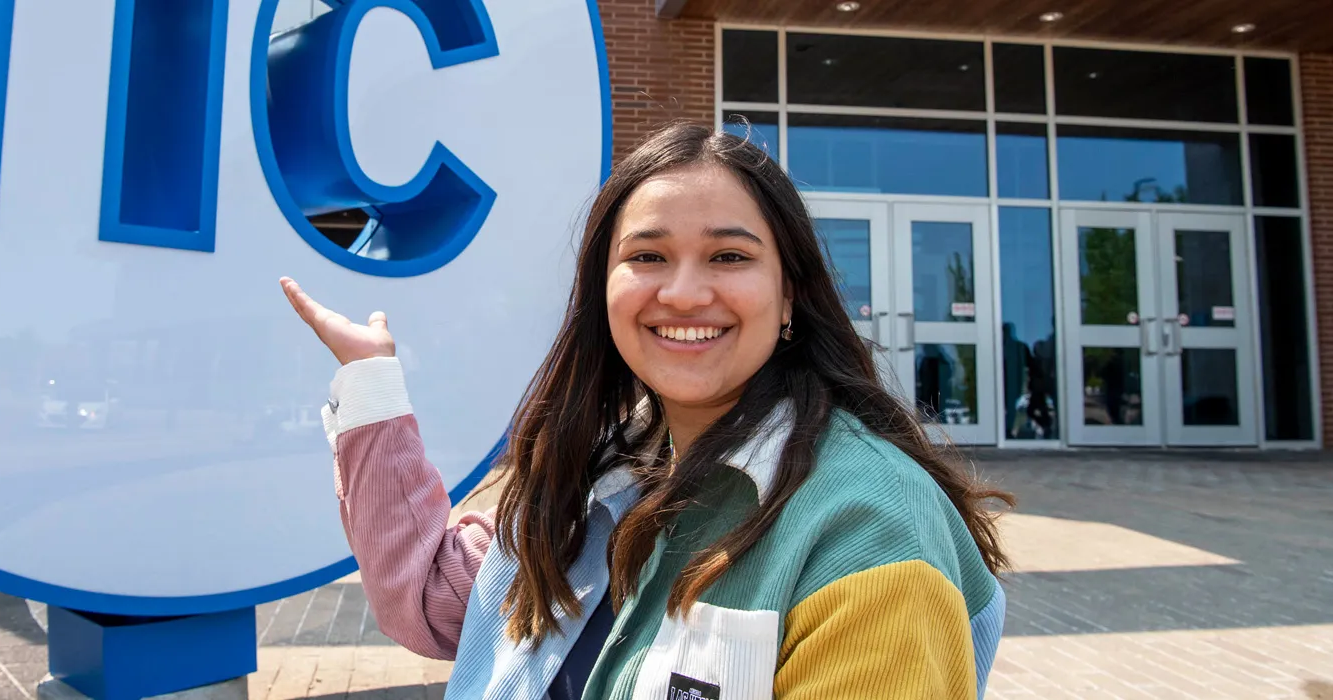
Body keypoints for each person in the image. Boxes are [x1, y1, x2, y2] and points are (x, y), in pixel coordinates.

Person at [278, 122, 1013, 699]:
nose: (685, 294)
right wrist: (373, 386)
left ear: (790, 294)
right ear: (605, 289)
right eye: (648, 256)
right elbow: (429, 603)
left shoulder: (871, 531)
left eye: (729, 257)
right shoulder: (596, 474)